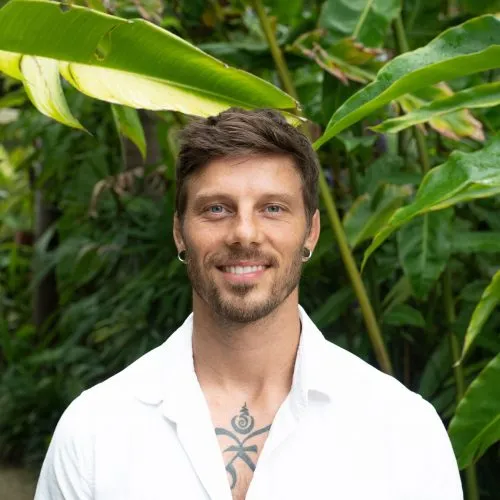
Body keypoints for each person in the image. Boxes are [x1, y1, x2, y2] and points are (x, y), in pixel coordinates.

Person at [35, 108, 463, 500]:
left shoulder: (403, 430)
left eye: (272, 208)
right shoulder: (95, 431)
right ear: (180, 232)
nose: (244, 233)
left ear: (311, 232)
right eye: (216, 209)